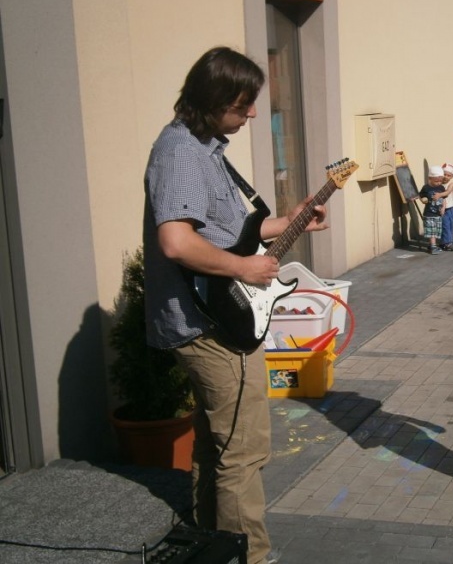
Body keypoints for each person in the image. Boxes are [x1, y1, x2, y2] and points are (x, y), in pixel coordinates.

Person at [143, 46, 328, 564]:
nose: (252, 114)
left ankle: (212, 545)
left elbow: (230, 233)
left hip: (215, 317)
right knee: (244, 452)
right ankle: (250, 556)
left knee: (217, 446)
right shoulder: (181, 153)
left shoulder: (204, 147)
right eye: (243, 104)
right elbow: (177, 242)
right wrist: (245, 269)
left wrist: (287, 222)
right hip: (208, 325)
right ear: (213, 98)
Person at [419, 166, 446, 254]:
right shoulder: (426, 188)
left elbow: (444, 198)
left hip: (438, 214)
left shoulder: (441, 188)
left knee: (436, 231)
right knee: (431, 231)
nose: (438, 183)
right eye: (436, 181)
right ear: (430, 178)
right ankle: (433, 247)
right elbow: (421, 196)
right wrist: (423, 199)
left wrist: (443, 208)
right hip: (429, 214)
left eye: (440, 181)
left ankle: (431, 246)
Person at [439, 163, 453, 251]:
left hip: (450, 208)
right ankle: (446, 243)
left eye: (448, 175)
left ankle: (448, 242)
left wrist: (438, 194)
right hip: (443, 209)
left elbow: (447, 192)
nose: (446, 177)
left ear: (452, 176)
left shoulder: (451, 184)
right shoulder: (438, 184)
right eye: (444, 174)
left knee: (450, 225)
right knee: (445, 225)